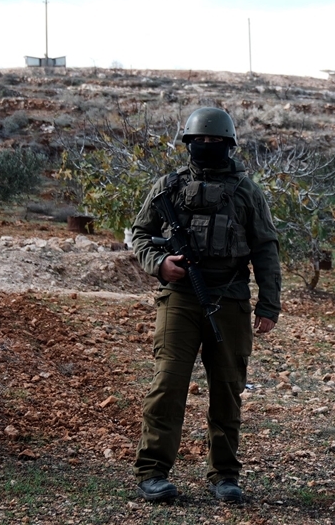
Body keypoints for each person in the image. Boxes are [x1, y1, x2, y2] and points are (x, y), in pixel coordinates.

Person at [130, 107, 281, 504]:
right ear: (188, 145)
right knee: (168, 382)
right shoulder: (167, 187)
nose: (207, 147)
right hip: (179, 299)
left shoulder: (247, 190)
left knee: (227, 388)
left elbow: (265, 248)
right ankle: (152, 472)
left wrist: (269, 304)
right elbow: (140, 235)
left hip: (229, 299)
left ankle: (225, 475)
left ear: (229, 146)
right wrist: (160, 264)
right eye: (200, 142)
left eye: (215, 142)